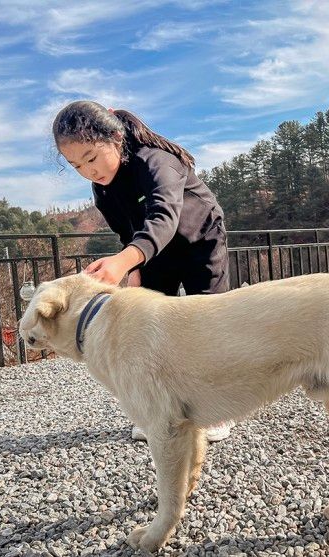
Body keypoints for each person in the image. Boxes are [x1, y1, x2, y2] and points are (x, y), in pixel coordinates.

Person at [51, 100, 233, 442]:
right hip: (150, 251)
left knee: (206, 321)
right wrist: (133, 269)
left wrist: (123, 261)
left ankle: (216, 413)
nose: (88, 170)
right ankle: (160, 411)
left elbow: (164, 216)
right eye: (76, 165)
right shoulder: (103, 186)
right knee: (149, 328)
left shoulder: (156, 160)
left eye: (91, 157)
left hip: (200, 241)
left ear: (116, 138)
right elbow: (127, 230)